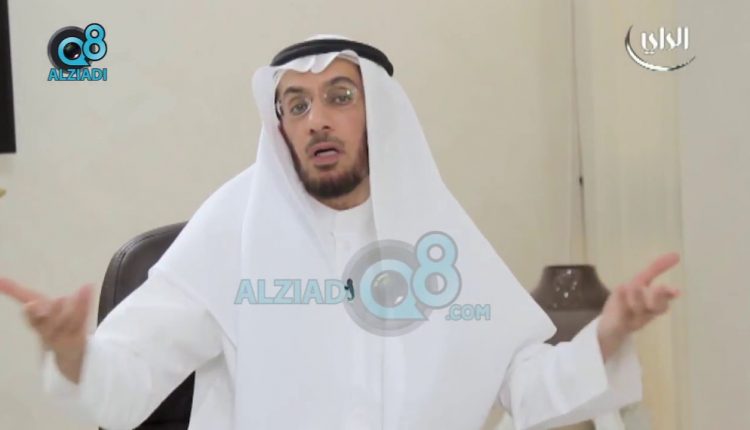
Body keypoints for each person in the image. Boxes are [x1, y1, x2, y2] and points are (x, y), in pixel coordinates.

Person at [0, 35, 681, 430]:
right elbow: (129, 377)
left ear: (378, 113)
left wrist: (609, 332)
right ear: (281, 129)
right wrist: (75, 353)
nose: (317, 119)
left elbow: (524, 386)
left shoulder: (437, 231)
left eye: (339, 97)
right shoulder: (233, 228)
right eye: (295, 105)